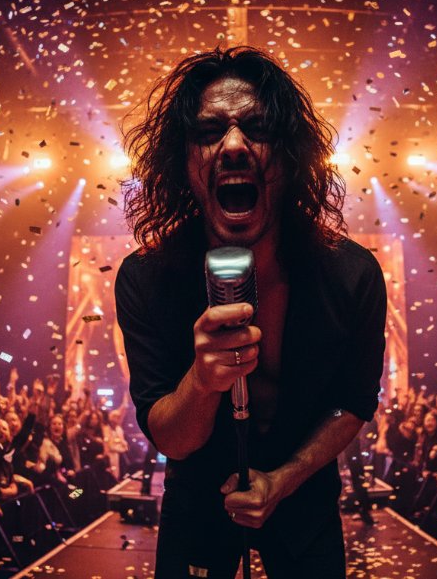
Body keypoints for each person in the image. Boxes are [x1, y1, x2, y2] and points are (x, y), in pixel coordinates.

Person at [116, 46, 386, 578]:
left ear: (290, 158)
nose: (234, 145)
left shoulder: (352, 275)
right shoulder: (145, 278)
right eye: (209, 130)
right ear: (183, 161)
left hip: (305, 501)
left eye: (258, 129)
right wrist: (203, 379)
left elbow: (354, 402)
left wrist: (283, 479)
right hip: (198, 507)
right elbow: (170, 436)